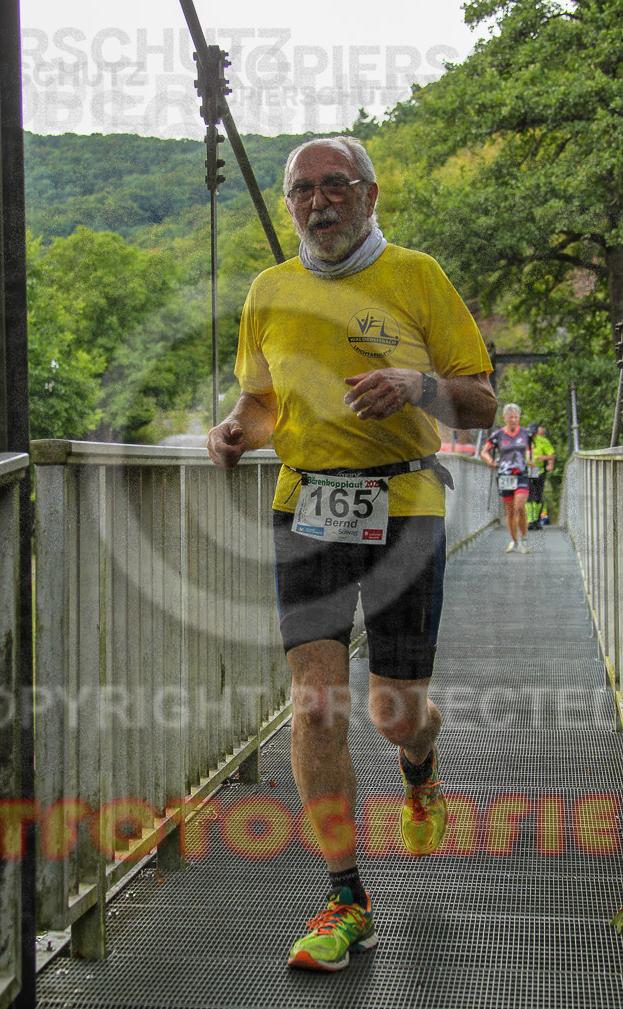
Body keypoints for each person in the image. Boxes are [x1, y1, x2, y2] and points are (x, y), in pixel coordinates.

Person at [206, 137, 497, 972]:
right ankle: (345, 897)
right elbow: (262, 400)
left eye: (336, 186)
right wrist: (236, 431)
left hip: (404, 500)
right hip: (308, 506)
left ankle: (420, 763)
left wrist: (415, 386)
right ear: (291, 203)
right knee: (316, 705)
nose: (318, 202)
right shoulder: (270, 288)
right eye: (303, 190)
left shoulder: (416, 276)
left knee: (392, 712)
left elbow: (478, 400)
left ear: (370, 195)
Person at [481, 403, 535, 553]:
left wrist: (532, 462)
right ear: (505, 419)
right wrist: (489, 460)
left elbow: (531, 451)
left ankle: (524, 536)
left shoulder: (526, 434)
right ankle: (514, 540)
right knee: (510, 510)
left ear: (519, 418)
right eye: (510, 417)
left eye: (516, 417)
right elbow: (484, 451)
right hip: (505, 476)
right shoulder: (498, 435)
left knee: (520, 506)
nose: (513, 420)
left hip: (521, 474)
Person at [526, 424, 555, 529]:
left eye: (534, 432)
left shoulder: (542, 441)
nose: (533, 435)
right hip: (526, 471)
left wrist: (543, 459)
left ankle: (536, 520)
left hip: (539, 471)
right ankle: (530, 520)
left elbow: (551, 455)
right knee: (528, 496)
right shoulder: (523, 440)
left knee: (537, 496)